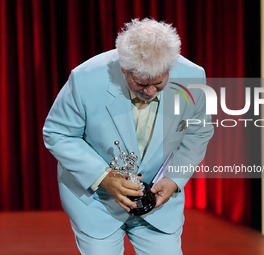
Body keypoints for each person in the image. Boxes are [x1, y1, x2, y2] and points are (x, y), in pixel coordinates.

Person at [43, 18, 213, 255]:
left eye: (159, 83)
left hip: (157, 204)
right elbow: (58, 133)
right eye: (141, 83)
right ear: (124, 69)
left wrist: (174, 178)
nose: (150, 91)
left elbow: (198, 131)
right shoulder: (85, 78)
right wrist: (104, 178)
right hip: (96, 202)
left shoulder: (192, 76)